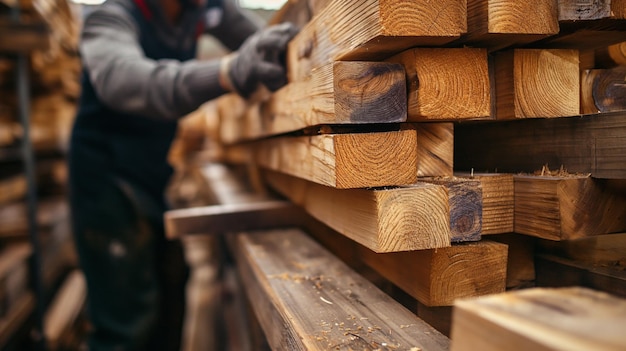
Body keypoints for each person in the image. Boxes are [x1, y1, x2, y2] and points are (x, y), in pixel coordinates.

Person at [68, 0, 298, 349]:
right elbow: (126, 82)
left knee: (170, 298)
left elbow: (263, 44)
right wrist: (227, 71)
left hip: (152, 174)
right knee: (126, 325)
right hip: (106, 181)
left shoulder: (203, 8)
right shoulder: (111, 17)